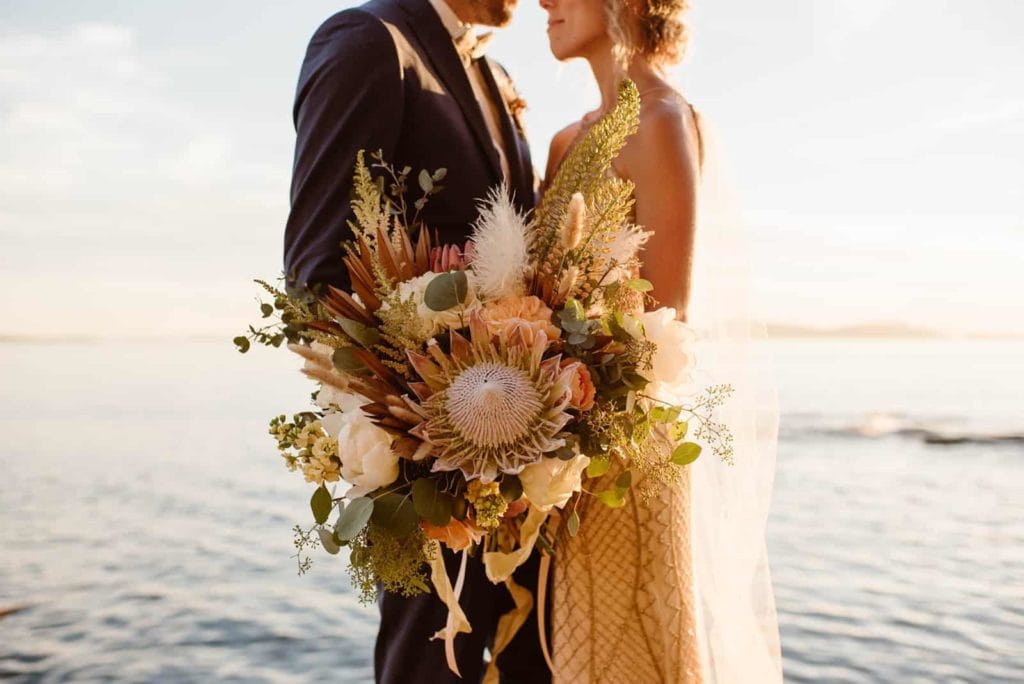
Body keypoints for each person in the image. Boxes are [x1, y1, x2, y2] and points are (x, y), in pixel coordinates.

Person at [282, 0, 548, 681]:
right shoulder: (368, 41)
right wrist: (423, 435)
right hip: (426, 467)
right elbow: (317, 271)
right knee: (431, 669)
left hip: (523, 446)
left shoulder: (494, 72)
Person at [538, 0, 783, 681]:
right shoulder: (563, 142)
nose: (543, 2)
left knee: (631, 653)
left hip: (625, 460)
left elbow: (664, 320)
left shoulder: (663, 124)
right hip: (553, 453)